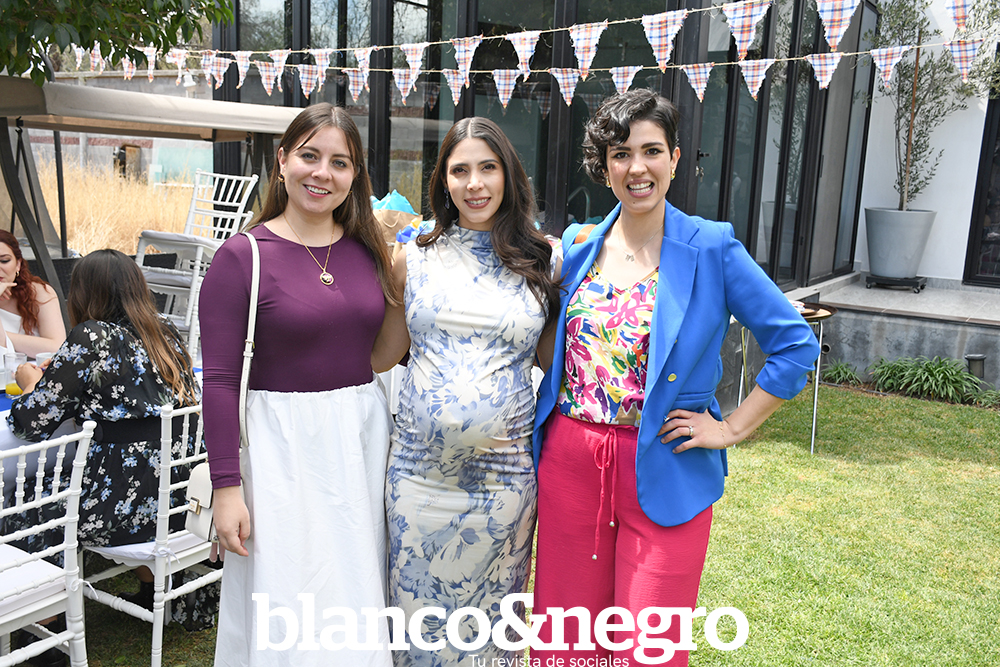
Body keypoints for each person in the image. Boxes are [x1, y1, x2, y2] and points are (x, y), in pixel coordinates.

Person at [530, 90, 820, 667]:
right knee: (568, 644)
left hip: (668, 465)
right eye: (621, 154)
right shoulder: (579, 246)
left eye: (651, 151)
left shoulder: (712, 247)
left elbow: (795, 346)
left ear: (675, 158)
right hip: (570, 465)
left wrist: (731, 428)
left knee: (649, 649)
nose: (637, 167)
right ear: (604, 165)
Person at [199, 103, 399, 667]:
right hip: (279, 451)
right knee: (286, 596)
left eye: (340, 162)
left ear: (355, 175)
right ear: (282, 160)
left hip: (359, 444)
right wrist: (226, 488)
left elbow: (380, 356)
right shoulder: (242, 257)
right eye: (310, 156)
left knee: (354, 589)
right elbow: (219, 381)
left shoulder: (368, 252)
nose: (322, 173)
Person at [370, 117, 560, 667]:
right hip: (418, 480)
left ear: (508, 175)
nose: (474, 184)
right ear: (443, 181)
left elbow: (555, 364)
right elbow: (381, 354)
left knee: (490, 637)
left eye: (487, 168)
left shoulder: (545, 259)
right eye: (460, 171)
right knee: (418, 635)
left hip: (504, 486)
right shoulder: (413, 256)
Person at [5, 248, 200, 559]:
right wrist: (69, 371)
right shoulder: (165, 330)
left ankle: (46, 589)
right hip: (179, 499)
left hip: (118, 506)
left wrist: (31, 382)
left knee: (23, 497)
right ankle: (149, 582)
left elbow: (29, 424)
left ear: (81, 293)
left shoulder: (92, 335)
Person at [0, 229, 66, 356]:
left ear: (18, 264)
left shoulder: (38, 293)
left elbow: (57, 347)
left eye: (4, 261)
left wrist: (3, 336)